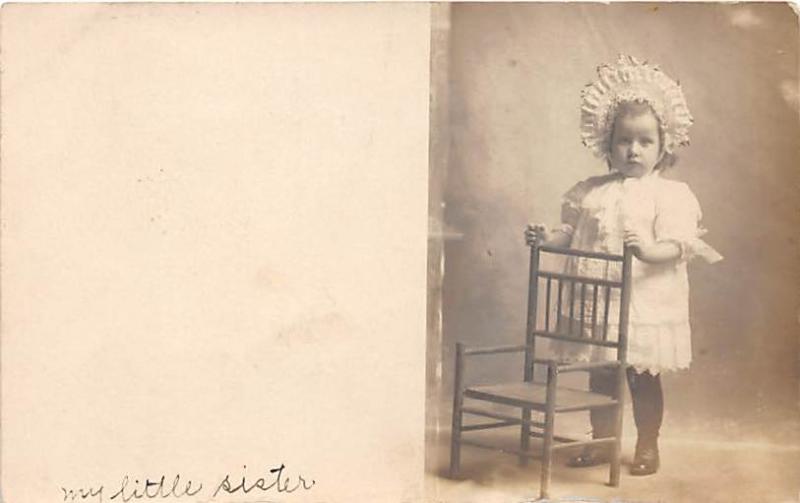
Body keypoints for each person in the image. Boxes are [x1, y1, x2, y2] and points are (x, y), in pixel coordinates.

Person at [524, 55, 722, 476]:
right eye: (624, 141)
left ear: (663, 145)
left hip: (642, 305)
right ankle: (601, 442)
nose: (633, 150)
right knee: (602, 377)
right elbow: (570, 235)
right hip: (597, 302)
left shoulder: (670, 195)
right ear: (607, 143)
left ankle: (647, 445)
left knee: (641, 377)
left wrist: (651, 250)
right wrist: (546, 240)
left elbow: (680, 245)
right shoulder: (590, 192)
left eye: (645, 141)